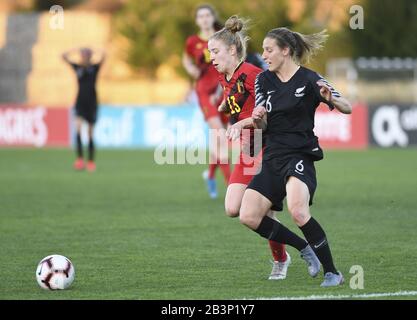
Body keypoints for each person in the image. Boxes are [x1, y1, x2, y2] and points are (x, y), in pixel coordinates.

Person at [238, 27, 352, 287]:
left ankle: (332, 272)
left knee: (298, 211)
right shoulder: (264, 80)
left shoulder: (311, 79)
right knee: (248, 215)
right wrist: (258, 119)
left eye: (269, 50)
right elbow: (263, 126)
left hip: (300, 154)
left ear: (285, 51)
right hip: (273, 155)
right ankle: (303, 247)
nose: (264, 55)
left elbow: (347, 106)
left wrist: (330, 100)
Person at [208, 16, 291, 280]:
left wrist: (241, 123)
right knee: (232, 208)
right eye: (210, 52)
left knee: (264, 211)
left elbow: (267, 116)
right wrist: (224, 105)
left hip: (270, 148)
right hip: (249, 149)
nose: (211, 57)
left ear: (232, 50)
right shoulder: (225, 76)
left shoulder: (256, 75)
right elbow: (234, 97)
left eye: (215, 51)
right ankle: (289, 251)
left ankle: (281, 259)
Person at [183, 4, 230, 199]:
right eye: (200, 16)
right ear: (197, 20)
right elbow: (186, 59)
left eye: (207, 15)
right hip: (204, 91)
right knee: (221, 137)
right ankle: (233, 187)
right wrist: (191, 70)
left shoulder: (222, 38)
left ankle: (210, 175)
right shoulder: (192, 41)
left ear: (212, 17)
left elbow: (228, 65)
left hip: (222, 91)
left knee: (217, 139)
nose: (204, 19)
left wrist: (221, 89)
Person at [62, 47, 105, 172]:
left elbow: (104, 56)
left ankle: (91, 161)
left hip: (92, 103)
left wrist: (95, 50)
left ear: (90, 57)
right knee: (78, 129)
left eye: (87, 55)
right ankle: (80, 160)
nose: (85, 58)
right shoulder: (77, 68)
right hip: (80, 102)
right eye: (83, 55)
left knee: (90, 133)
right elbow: (63, 56)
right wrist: (75, 50)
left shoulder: (95, 68)